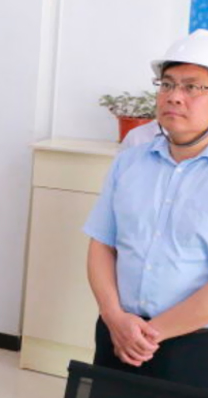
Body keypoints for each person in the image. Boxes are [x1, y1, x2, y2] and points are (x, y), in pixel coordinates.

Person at [85, 29, 208, 388]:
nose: (174, 96)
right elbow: (102, 244)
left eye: (192, 87)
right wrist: (114, 317)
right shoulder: (131, 160)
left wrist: (148, 334)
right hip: (115, 332)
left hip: (191, 346)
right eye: (167, 84)